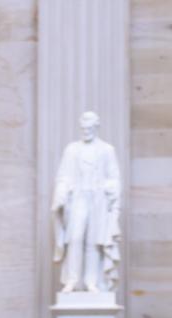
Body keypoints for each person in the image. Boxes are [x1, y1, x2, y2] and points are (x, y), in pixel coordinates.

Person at [51, 110, 122, 293]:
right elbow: (63, 176)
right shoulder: (72, 149)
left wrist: (110, 190)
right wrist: (60, 194)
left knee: (93, 241)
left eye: (89, 128)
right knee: (74, 238)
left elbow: (114, 177)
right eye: (83, 128)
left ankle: (91, 282)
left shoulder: (107, 150)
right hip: (78, 198)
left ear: (96, 127)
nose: (86, 131)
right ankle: (72, 280)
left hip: (98, 199)